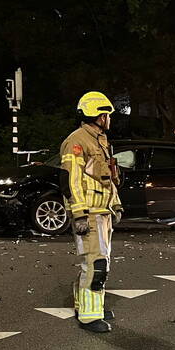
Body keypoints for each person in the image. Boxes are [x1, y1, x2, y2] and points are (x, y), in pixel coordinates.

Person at [60, 91, 122, 333]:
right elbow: (71, 180)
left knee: (99, 262)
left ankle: (88, 305)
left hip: (102, 211)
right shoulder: (77, 142)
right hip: (89, 213)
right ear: (97, 115)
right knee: (95, 264)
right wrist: (79, 215)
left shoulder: (99, 141)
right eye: (107, 114)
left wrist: (116, 205)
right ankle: (89, 316)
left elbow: (107, 180)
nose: (109, 119)